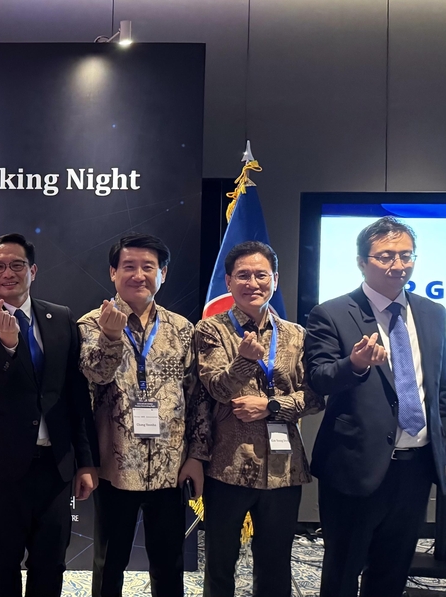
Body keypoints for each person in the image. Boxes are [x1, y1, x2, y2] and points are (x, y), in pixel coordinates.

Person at [305, 217, 446, 597]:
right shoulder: (332, 313)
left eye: (406, 255)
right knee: (342, 573)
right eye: (385, 256)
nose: (398, 265)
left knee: (392, 572)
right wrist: (354, 364)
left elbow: (439, 390)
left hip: (416, 468)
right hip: (355, 467)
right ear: (361, 262)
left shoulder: (434, 313)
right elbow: (318, 379)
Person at [0, 233, 98, 597]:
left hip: (55, 465)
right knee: (3, 562)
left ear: (32, 271)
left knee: (50, 562)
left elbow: (74, 394)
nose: (8, 273)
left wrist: (85, 462)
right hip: (4, 467)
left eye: (17, 265)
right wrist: (6, 343)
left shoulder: (60, 317)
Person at [77, 234, 209, 597]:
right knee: (109, 563)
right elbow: (95, 375)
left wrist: (196, 456)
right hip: (114, 467)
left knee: (169, 564)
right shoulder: (91, 324)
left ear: (163, 273)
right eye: (129, 266)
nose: (138, 275)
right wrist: (111, 336)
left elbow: (197, 397)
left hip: (169, 468)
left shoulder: (182, 329)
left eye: (148, 267)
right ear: (113, 273)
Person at [194, 240, 323, 597]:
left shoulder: (296, 335)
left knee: (275, 564)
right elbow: (216, 389)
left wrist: (271, 407)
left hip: (284, 470)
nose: (253, 283)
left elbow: (314, 397)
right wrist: (243, 362)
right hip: (228, 466)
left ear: (275, 280)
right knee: (220, 563)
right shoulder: (210, 331)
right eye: (243, 275)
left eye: (261, 275)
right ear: (228, 281)